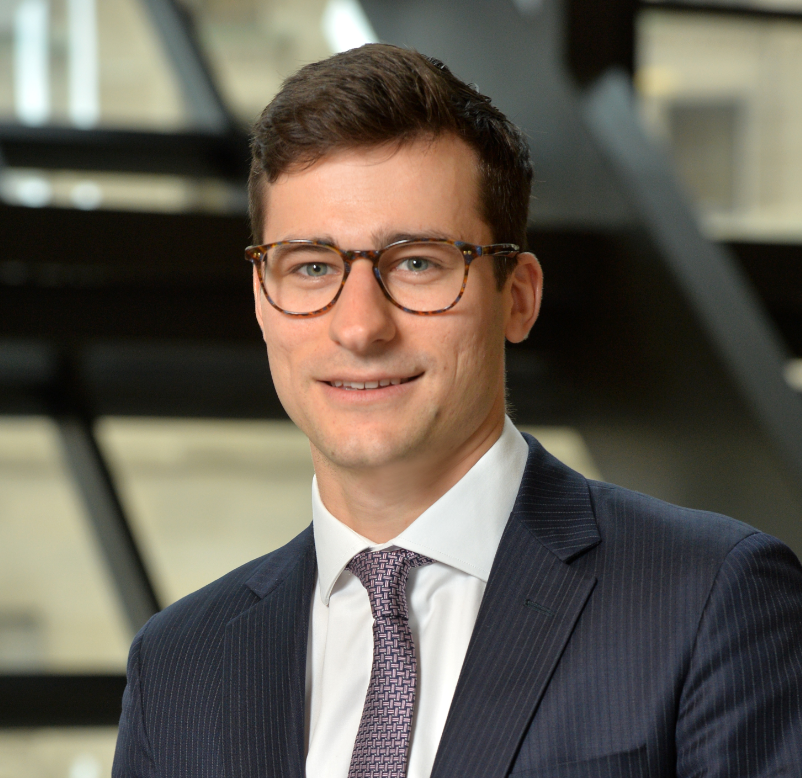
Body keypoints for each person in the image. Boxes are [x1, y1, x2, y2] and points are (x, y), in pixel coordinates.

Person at [113, 44, 802, 778]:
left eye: (417, 263)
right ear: (263, 302)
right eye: (311, 268)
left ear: (519, 296)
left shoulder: (708, 600)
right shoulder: (180, 664)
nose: (360, 328)